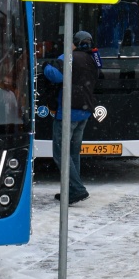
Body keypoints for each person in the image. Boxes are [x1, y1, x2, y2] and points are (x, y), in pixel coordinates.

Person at [42, 29, 100, 205]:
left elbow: (56, 76)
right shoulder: (94, 58)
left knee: (61, 154)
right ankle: (70, 190)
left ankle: (77, 190)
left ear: (75, 43)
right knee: (74, 153)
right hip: (84, 111)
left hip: (68, 112)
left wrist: (45, 66)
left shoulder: (69, 57)